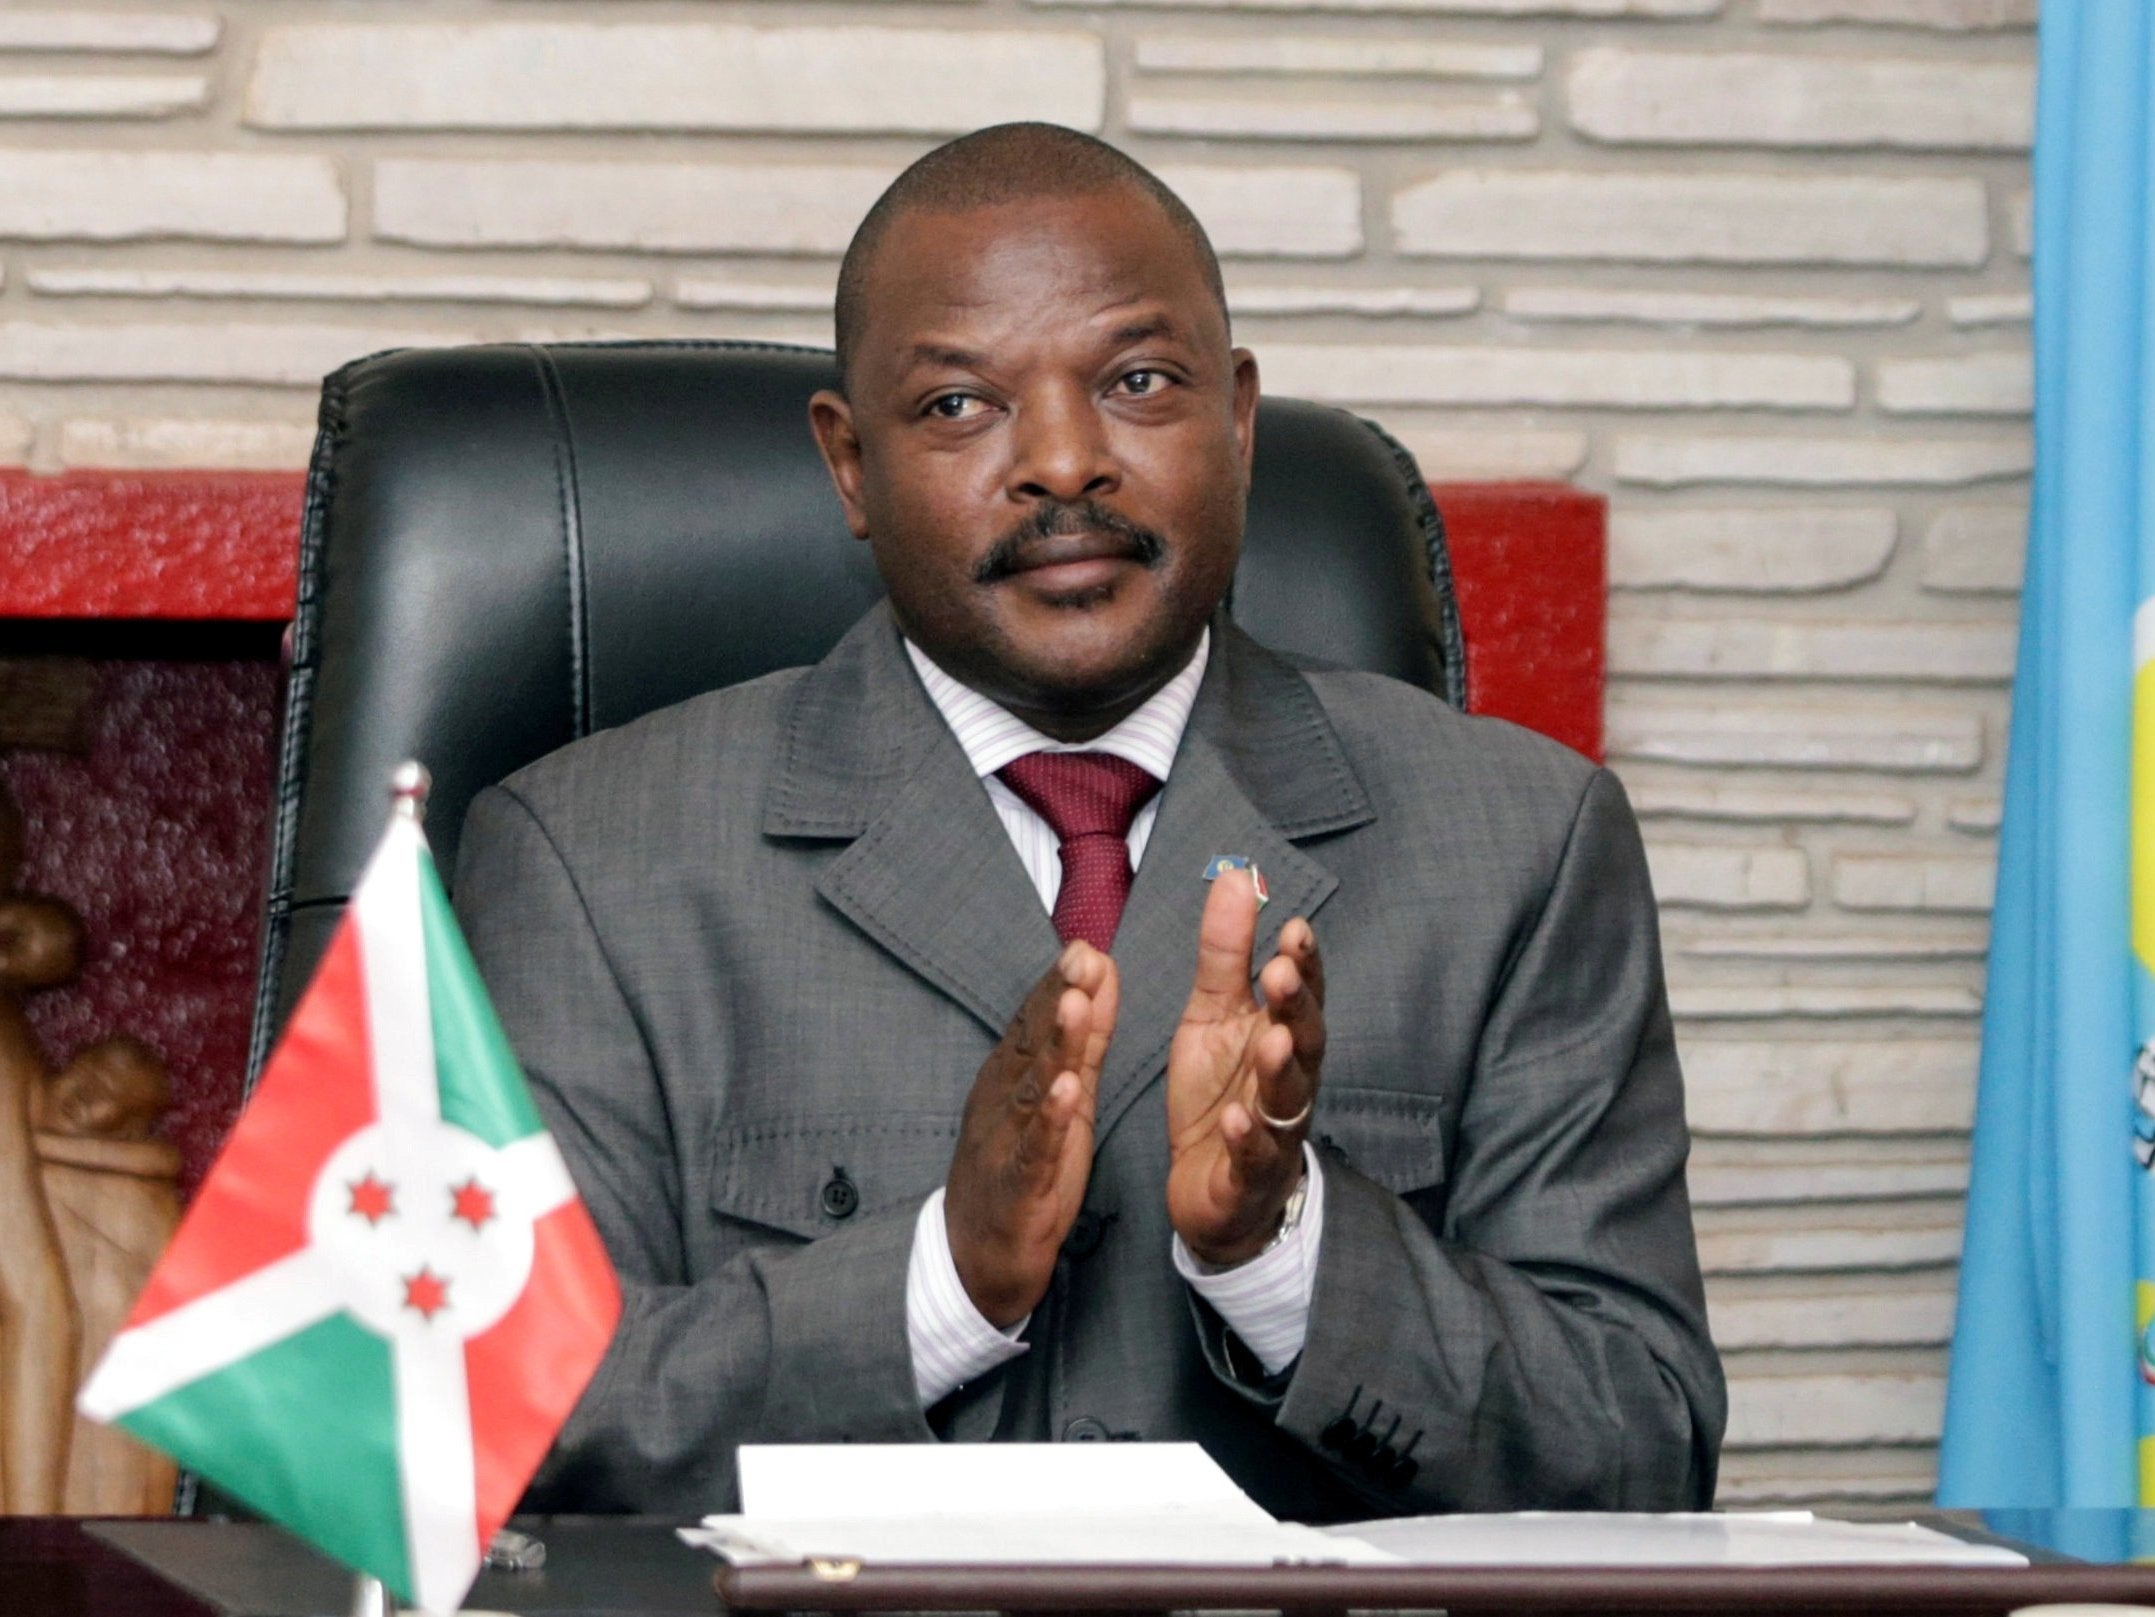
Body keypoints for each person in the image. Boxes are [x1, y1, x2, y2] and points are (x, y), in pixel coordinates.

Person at [453, 122, 1725, 1521]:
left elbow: (1641, 1442)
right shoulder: (589, 860)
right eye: (959, 405)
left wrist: (1288, 1251)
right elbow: (502, 1421)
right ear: (850, 465)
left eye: (1137, 382)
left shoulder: (1525, 844)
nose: (1064, 462)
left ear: (1237, 420)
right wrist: (940, 1283)